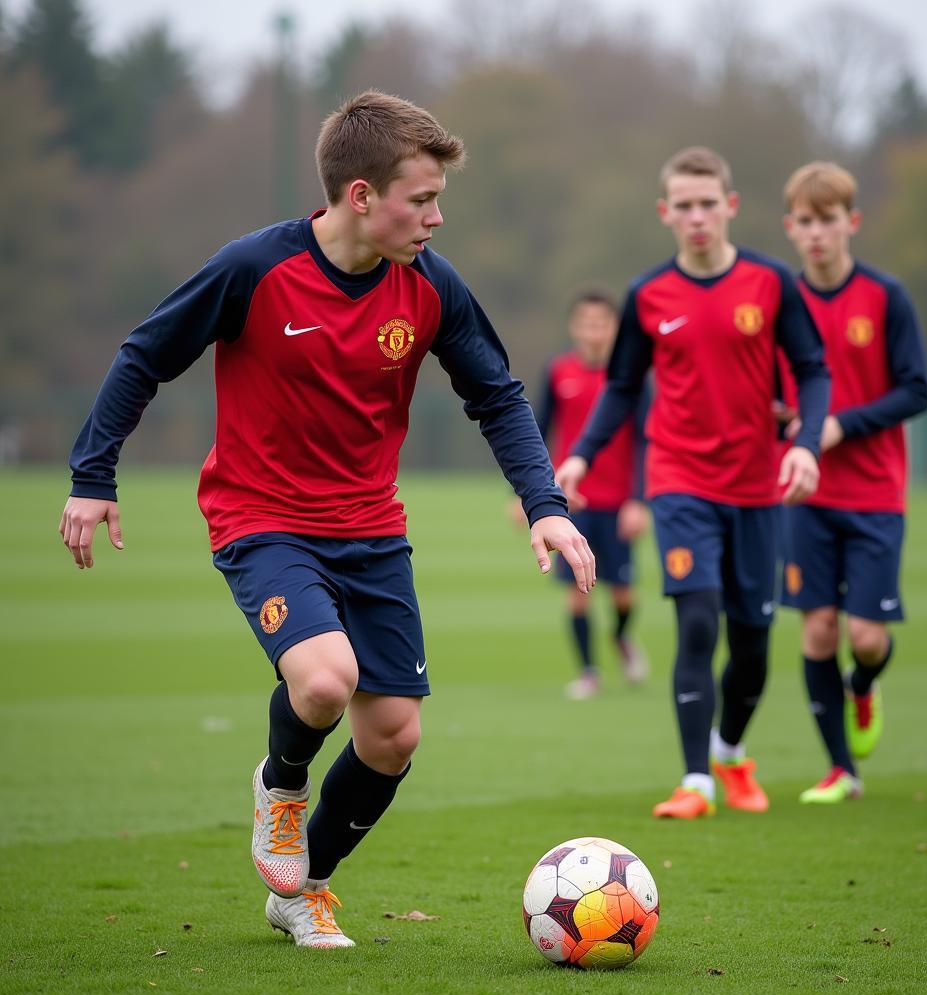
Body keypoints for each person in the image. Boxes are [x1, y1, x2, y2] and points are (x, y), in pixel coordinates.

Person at [59, 90, 595, 948]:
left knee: (392, 738)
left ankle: (301, 888)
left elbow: (496, 394)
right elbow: (144, 355)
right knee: (323, 682)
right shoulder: (253, 268)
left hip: (372, 529)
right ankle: (280, 785)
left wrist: (546, 508)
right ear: (359, 196)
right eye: (420, 200)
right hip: (261, 516)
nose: (436, 216)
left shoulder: (430, 286)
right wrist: (94, 475)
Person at [556, 146, 830, 820]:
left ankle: (731, 752)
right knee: (698, 620)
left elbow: (813, 370)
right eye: (684, 206)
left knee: (755, 644)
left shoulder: (771, 283)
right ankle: (695, 781)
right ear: (665, 213)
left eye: (709, 203)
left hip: (759, 487)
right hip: (680, 482)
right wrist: (582, 456)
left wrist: (804, 443)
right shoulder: (649, 296)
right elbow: (621, 388)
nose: (698, 216)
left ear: (730, 207)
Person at [778, 161, 927, 804]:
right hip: (803, 493)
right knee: (817, 630)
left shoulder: (886, 296)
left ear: (852, 222)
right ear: (791, 228)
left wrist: (840, 426)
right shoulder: (780, 299)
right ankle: (843, 769)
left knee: (865, 639)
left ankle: (862, 687)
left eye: (829, 220)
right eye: (806, 222)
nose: (817, 234)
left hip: (874, 493)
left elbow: (916, 389)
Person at [532, 289, 651, 699]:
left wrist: (639, 500)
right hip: (571, 503)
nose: (593, 331)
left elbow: (644, 441)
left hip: (619, 504)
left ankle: (621, 638)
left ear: (615, 328)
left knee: (622, 595)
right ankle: (588, 672)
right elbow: (538, 431)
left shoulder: (630, 379)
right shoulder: (558, 370)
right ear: (574, 327)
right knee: (578, 594)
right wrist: (527, 495)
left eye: (602, 323)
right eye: (586, 323)